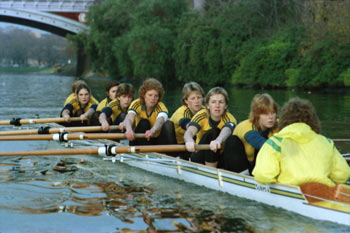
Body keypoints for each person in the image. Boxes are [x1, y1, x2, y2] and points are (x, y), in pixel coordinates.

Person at [252, 97, 350, 186]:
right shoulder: (326, 142)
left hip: (291, 192)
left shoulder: (275, 142)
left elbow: (263, 175)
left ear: (284, 119)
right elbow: (343, 175)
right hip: (325, 192)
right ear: (313, 120)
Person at [223, 93, 278, 174]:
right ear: (257, 114)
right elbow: (262, 144)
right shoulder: (246, 126)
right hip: (239, 165)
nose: (271, 117)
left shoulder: (277, 125)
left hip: (256, 165)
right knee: (232, 141)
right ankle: (243, 177)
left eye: (273, 112)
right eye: (266, 113)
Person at [184, 87, 237, 168]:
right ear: (208, 106)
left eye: (221, 102)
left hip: (220, 157)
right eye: (213, 102)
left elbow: (227, 130)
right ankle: (211, 171)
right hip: (199, 155)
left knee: (234, 139)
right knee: (213, 132)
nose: (217, 106)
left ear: (226, 105)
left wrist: (218, 140)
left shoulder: (230, 118)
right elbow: (189, 132)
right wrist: (189, 141)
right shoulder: (201, 115)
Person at [121, 78, 169, 145]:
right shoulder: (137, 103)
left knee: (169, 124)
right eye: (150, 95)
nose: (153, 98)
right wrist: (129, 130)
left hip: (153, 138)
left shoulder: (161, 106)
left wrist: (152, 130)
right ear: (143, 95)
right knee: (144, 122)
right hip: (138, 139)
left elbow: (160, 120)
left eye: (156, 96)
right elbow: (129, 118)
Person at [170, 82, 205, 159]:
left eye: (199, 97)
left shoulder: (205, 111)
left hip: (192, 144)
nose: (197, 101)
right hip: (176, 144)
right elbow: (186, 124)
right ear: (186, 100)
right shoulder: (182, 111)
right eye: (193, 98)